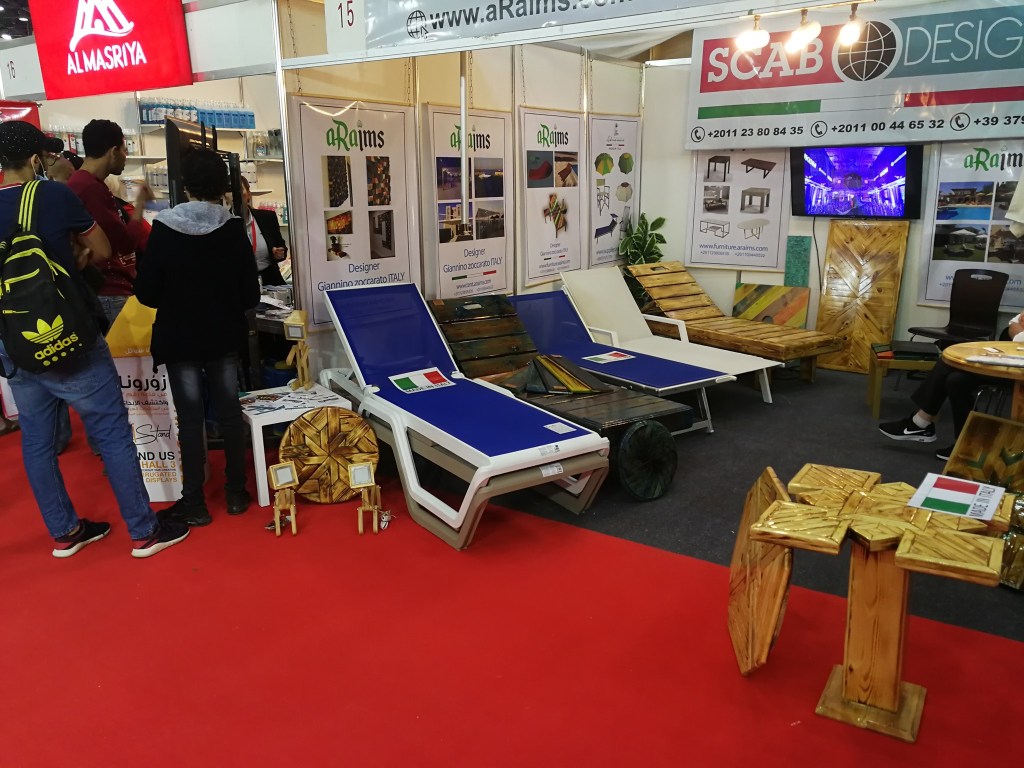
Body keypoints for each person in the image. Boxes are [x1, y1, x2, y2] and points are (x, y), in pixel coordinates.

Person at [0, 120, 189, 558]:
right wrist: (75, 256)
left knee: (37, 441)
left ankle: (66, 532)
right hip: (68, 334)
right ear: (35, 159)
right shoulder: (52, 195)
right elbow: (104, 250)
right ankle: (144, 531)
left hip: (16, 342)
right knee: (111, 430)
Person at [135, 148, 261, 525]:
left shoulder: (164, 229)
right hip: (222, 334)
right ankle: (236, 492)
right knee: (229, 413)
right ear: (222, 186)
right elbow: (250, 295)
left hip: (180, 337)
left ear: (185, 185)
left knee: (190, 420)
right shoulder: (233, 229)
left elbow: (147, 293)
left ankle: (194, 502)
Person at [879, 317, 1023, 460]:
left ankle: (920, 423)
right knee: (956, 380)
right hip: (1012, 359)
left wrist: (1018, 332)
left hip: (1018, 373)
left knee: (948, 365)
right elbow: (1013, 324)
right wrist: (1018, 330)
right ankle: (966, 443)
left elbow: (1018, 334)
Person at [67, 119, 155, 327]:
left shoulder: (84, 184)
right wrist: (140, 205)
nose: (125, 156)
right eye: (124, 150)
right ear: (113, 151)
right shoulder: (90, 189)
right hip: (108, 290)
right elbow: (123, 242)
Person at [239, 176, 288, 286]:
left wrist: (279, 253)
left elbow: (282, 247)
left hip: (269, 279)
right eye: (230, 190)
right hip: (240, 283)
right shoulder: (223, 223)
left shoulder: (267, 217)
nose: (235, 195)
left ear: (249, 194)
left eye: (240, 189)